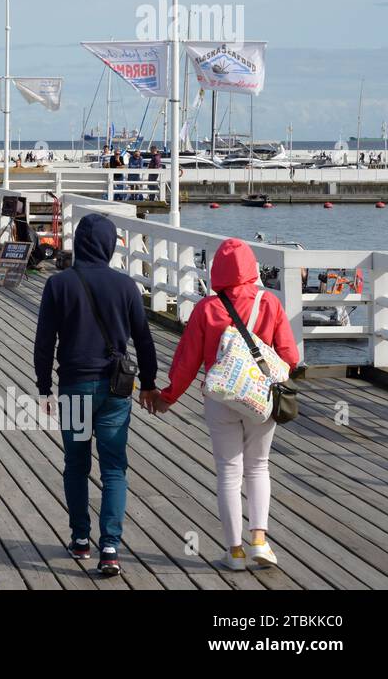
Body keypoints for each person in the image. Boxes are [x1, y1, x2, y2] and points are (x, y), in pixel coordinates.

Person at [150, 238, 300, 570]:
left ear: (217, 269)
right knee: (258, 467)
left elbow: (187, 361)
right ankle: (259, 540)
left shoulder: (207, 308)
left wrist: (168, 398)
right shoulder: (269, 303)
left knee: (229, 473)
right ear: (251, 267)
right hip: (261, 397)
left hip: (220, 399)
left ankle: (234, 551)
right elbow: (291, 356)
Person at [32, 212, 158, 576]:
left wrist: (44, 387)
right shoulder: (126, 286)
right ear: (108, 245)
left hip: (73, 385)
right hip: (116, 388)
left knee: (76, 464)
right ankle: (111, 547)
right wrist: (148, 382)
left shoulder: (59, 285)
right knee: (114, 467)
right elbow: (144, 340)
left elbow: (45, 343)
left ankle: (81, 540)